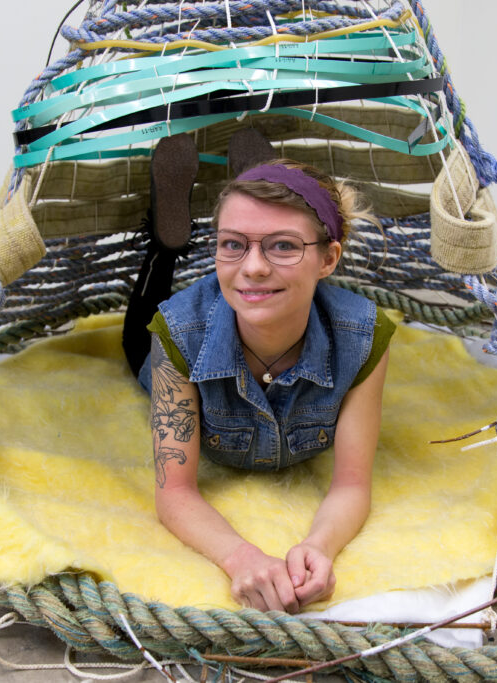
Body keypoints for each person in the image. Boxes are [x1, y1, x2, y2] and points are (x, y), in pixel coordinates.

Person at [121, 131, 395, 614]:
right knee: (140, 325)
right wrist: (240, 557)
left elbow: (352, 485)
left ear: (329, 258)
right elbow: (175, 492)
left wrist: (320, 547)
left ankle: (257, 189)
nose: (253, 268)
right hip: (167, 338)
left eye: (283, 246)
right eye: (233, 244)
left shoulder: (363, 338)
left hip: (246, 315)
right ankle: (168, 243)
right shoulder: (176, 333)